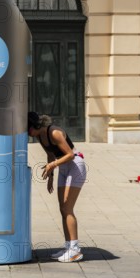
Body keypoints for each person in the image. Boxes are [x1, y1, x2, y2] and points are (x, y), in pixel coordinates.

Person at [28, 112, 86, 263]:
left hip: (75, 167)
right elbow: (50, 155)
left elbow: (70, 155)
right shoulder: (40, 136)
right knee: (62, 208)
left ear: (35, 126)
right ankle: (68, 246)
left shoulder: (54, 132)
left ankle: (75, 250)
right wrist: (51, 177)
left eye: (28, 130)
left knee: (68, 208)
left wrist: (52, 165)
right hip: (63, 168)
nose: (28, 133)